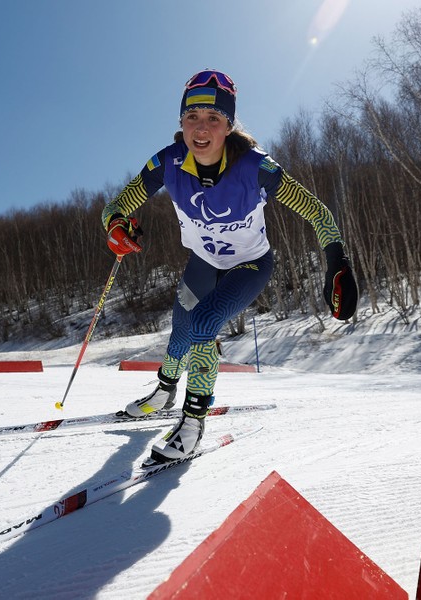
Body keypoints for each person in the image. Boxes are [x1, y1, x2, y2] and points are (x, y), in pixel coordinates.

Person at [102, 69, 358, 464]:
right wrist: (116, 225)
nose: (200, 129)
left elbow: (316, 210)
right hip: (202, 263)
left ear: (228, 126)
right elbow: (116, 205)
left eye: (213, 119)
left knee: (204, 324)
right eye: (192, 117)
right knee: (181, 334)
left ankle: (192, 424)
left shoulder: (256, 166)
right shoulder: (167, 162)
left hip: (249, 266)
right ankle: (164, 391)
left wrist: (336, 260)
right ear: (181, 122)